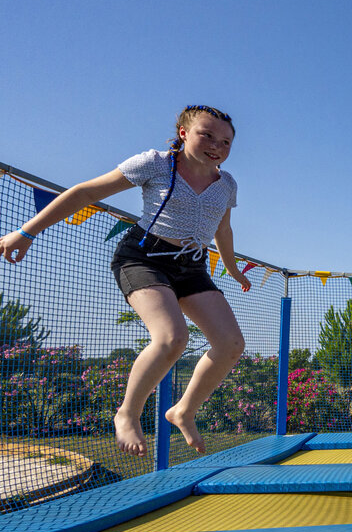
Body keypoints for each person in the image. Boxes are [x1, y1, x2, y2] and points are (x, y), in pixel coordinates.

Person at [1, 105, 249, 456]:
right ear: (183, 133)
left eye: (225, 141)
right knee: (171, 337)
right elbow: (86, 193)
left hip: (191, 266)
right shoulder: (156, 164)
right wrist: (27, 232)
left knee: (231, 344)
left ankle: (183, 411)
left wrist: (233, 268)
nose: (216, 145)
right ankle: (127, 413)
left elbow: (223, 229)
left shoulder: (226, 184)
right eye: (206, 135)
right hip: (144, 258)